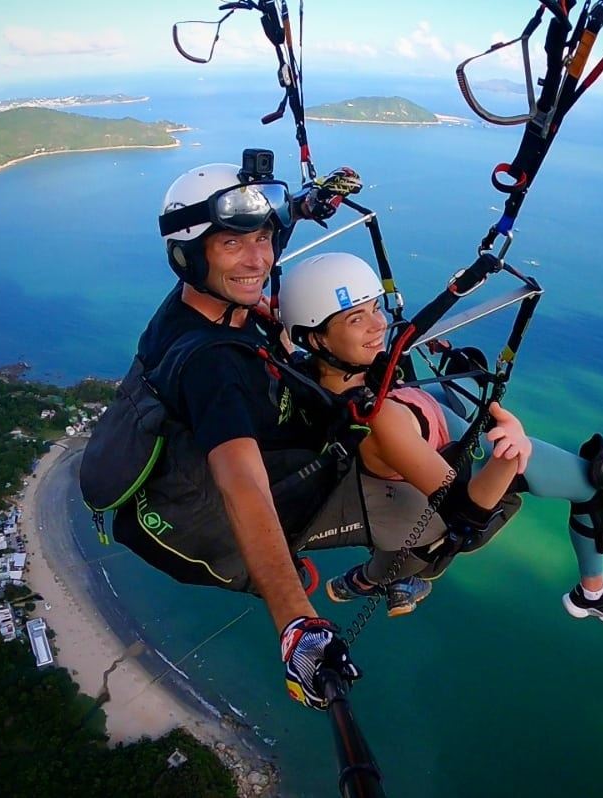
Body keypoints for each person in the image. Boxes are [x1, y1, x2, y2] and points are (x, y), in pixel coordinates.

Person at [126, 160, 363, 711]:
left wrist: (302, 207)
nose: (259, 259)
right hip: (221, 524)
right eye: (233, 245)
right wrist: (296, 624)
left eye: (264, 239)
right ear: (189, 254)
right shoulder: (211, 366)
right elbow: (244, 487)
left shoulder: (200, 304)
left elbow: (251, 243)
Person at [279, 252, 603, 623]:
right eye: (356, 318)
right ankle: (592, 593)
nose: (377, 325)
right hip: (449, 447)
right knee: (597, 481)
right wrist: (511, 451)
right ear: (316, 339)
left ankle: (371, 579)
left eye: (374, 309)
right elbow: (466, 514)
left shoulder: (310, 374)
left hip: (426, 417)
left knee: (468, 369)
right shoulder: (380, 420)